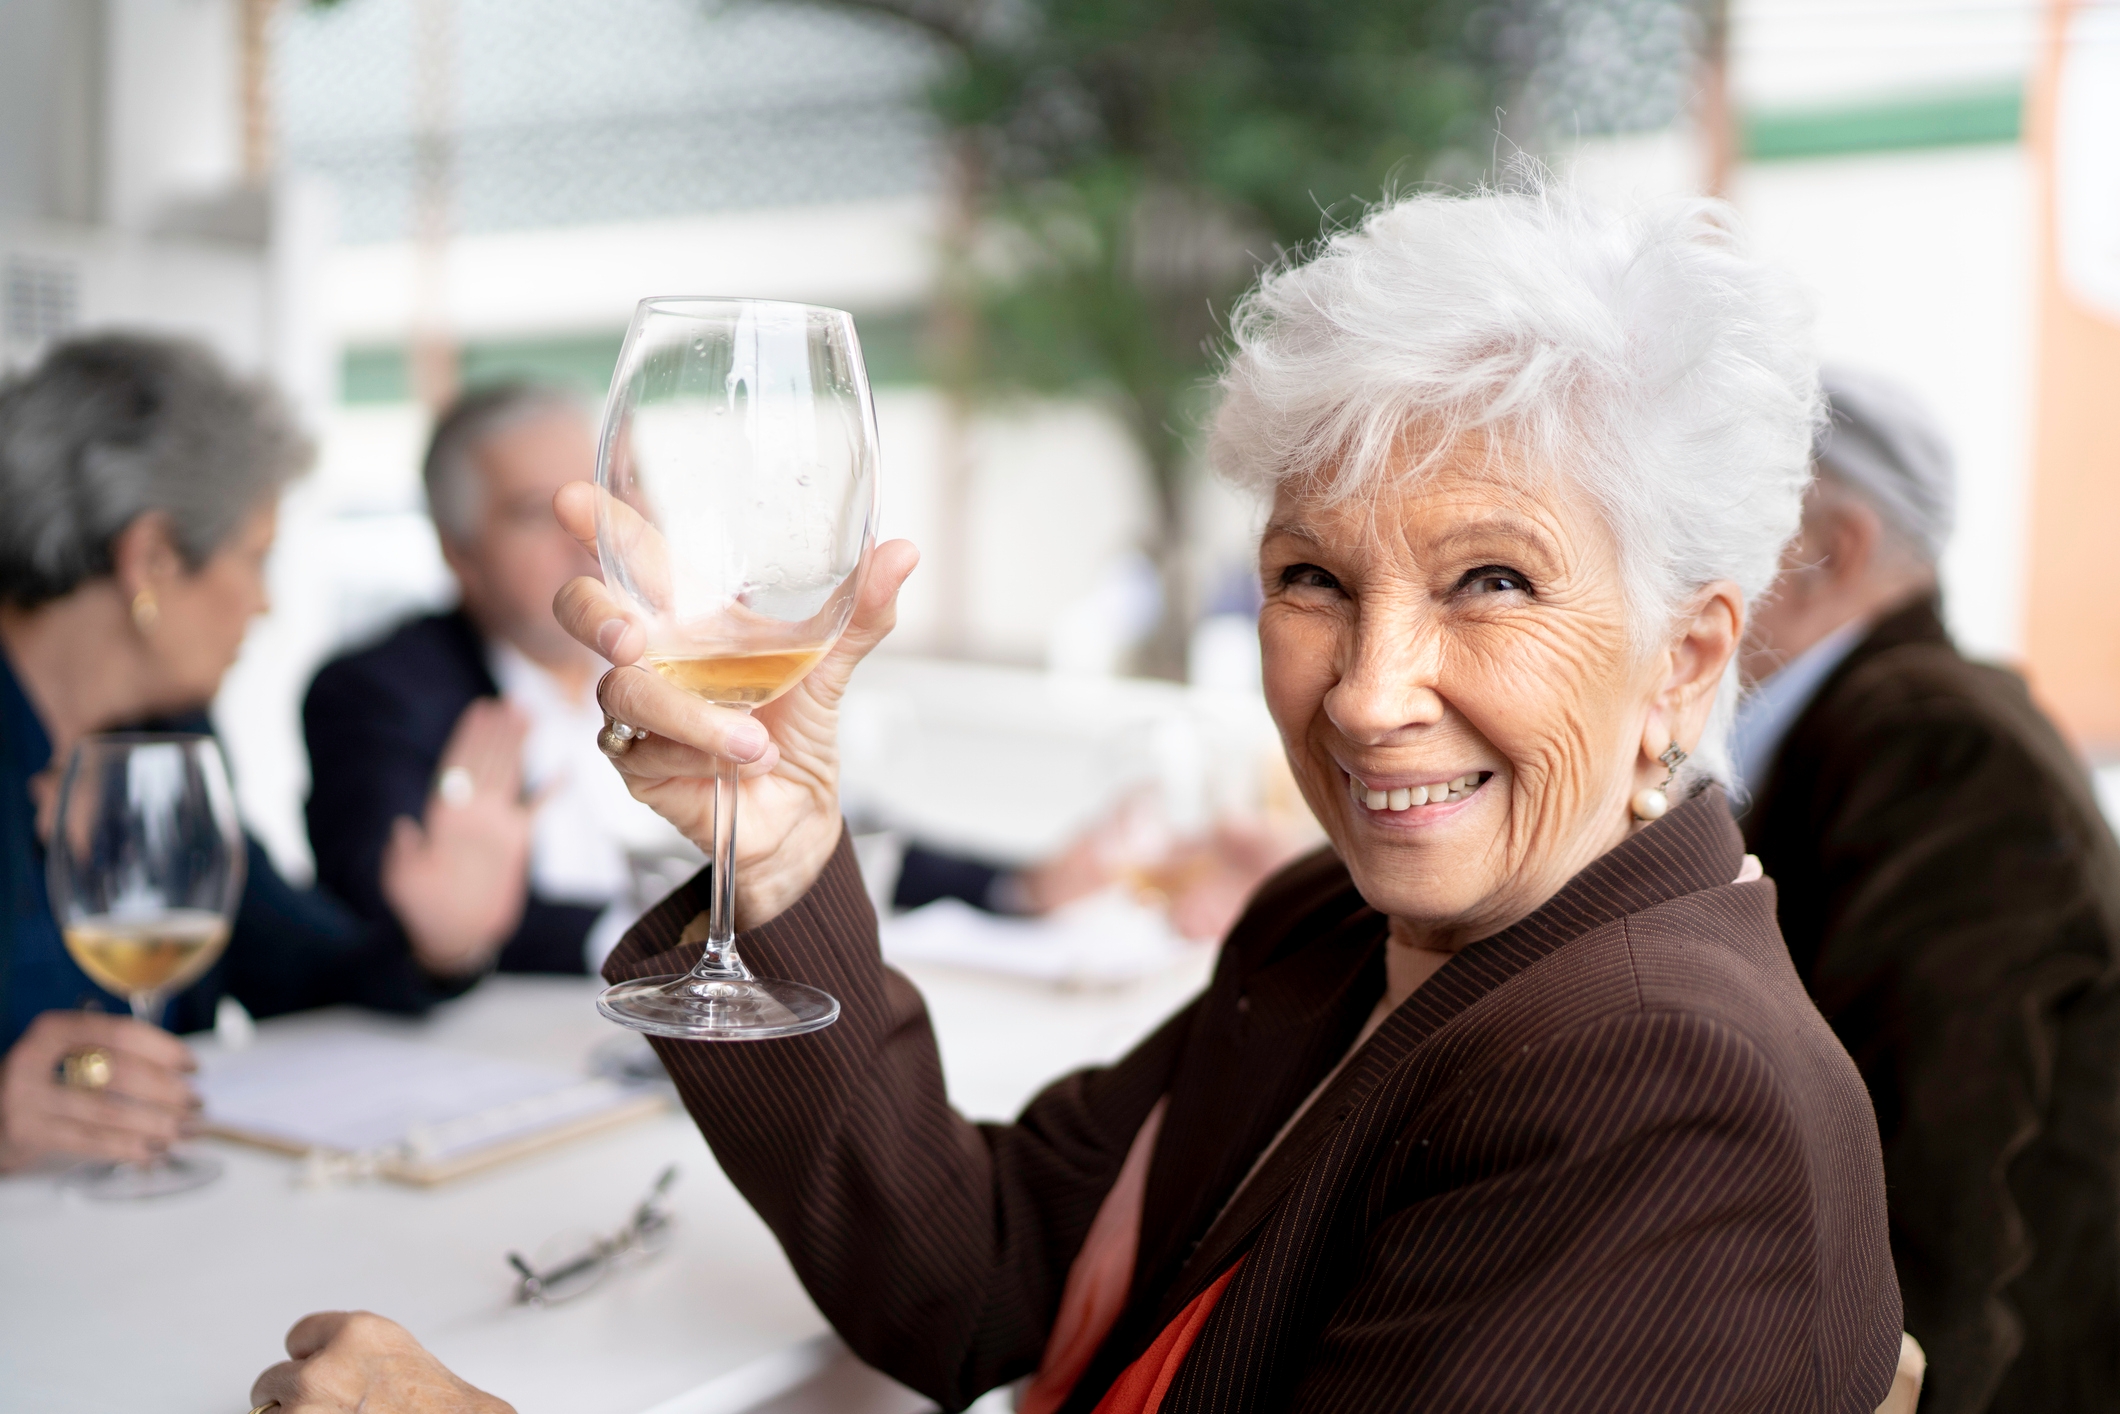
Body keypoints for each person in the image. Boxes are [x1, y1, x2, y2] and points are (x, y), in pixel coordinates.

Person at [254, 186, 1907, 1412]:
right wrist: (785, 845)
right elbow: (980, 1272)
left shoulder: (1663, 1073)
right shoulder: (1340, 926)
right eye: (1312, 577)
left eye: (1489, 577)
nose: (1366, 685)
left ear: (1686, 663)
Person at [0, 335, 487, 1174]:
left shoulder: (168, 736)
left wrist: (435, 941)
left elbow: (289, 964)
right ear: (150, 559)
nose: (264, 605)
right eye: (255, 557)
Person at [1733, 369, 2120, 1414]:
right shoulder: (1880, 723)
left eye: (1717, 515)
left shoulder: (1929, 740)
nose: (1674, 560)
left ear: (1833, 551)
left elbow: (1932, 1155)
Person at [303, 384, 696, 977]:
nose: (600, 538)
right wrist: (688, 937)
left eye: (617, 492)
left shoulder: (701, 660)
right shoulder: (377, 694)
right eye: (542, 512)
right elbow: (401, 916)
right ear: (459, 553)